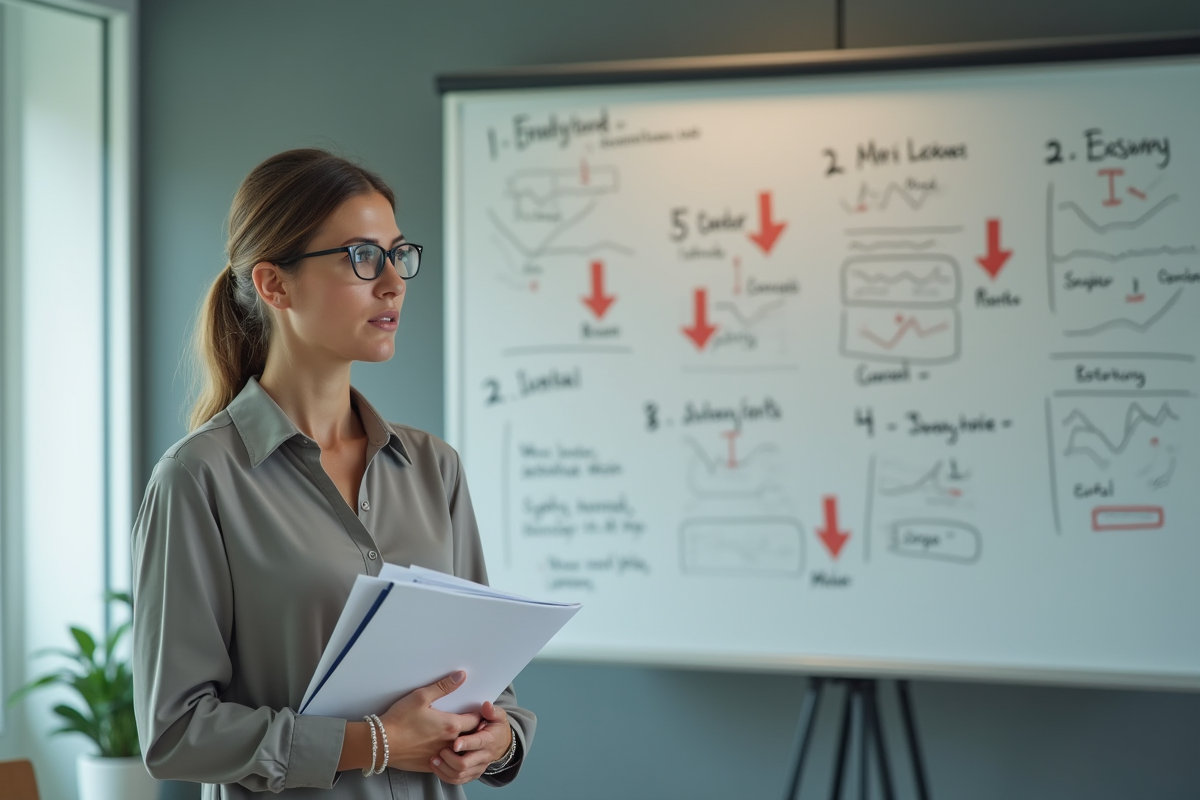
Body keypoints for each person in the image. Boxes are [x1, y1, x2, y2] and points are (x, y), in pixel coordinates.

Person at [131, 149, 534, 799]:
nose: (393, 282)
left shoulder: (435, 467)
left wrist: (498, 740)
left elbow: (488, 687)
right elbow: (176, 732)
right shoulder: (198, 478)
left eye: (397, 255)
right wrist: (372, 742)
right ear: (275, 285)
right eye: (361, 257)